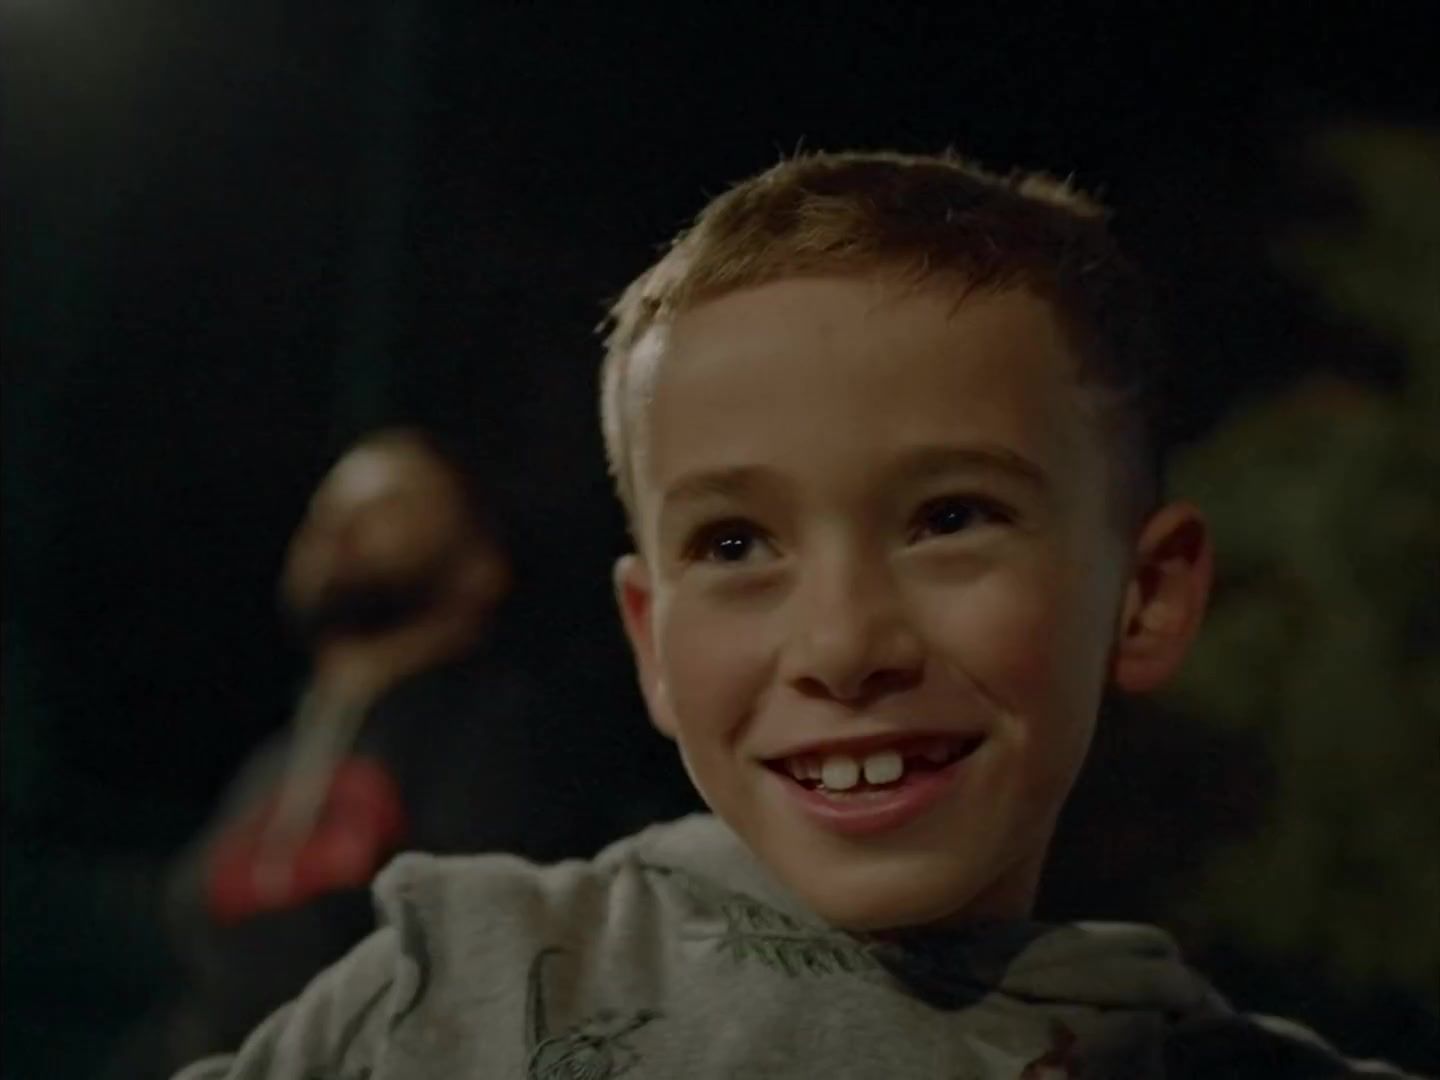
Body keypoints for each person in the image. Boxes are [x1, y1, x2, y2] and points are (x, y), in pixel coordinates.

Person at [173, 153, 1422, 1078]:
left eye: (949, 518)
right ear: (652, 640)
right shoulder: (449, 987)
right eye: (734, 544)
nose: (842, 646)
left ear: (1145, 597)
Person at [149, 427, 609, 1072]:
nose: (336, 524)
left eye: (387, 505)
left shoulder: (507, 743)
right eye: (325, 506)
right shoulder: (274, 760)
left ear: (479, 569)